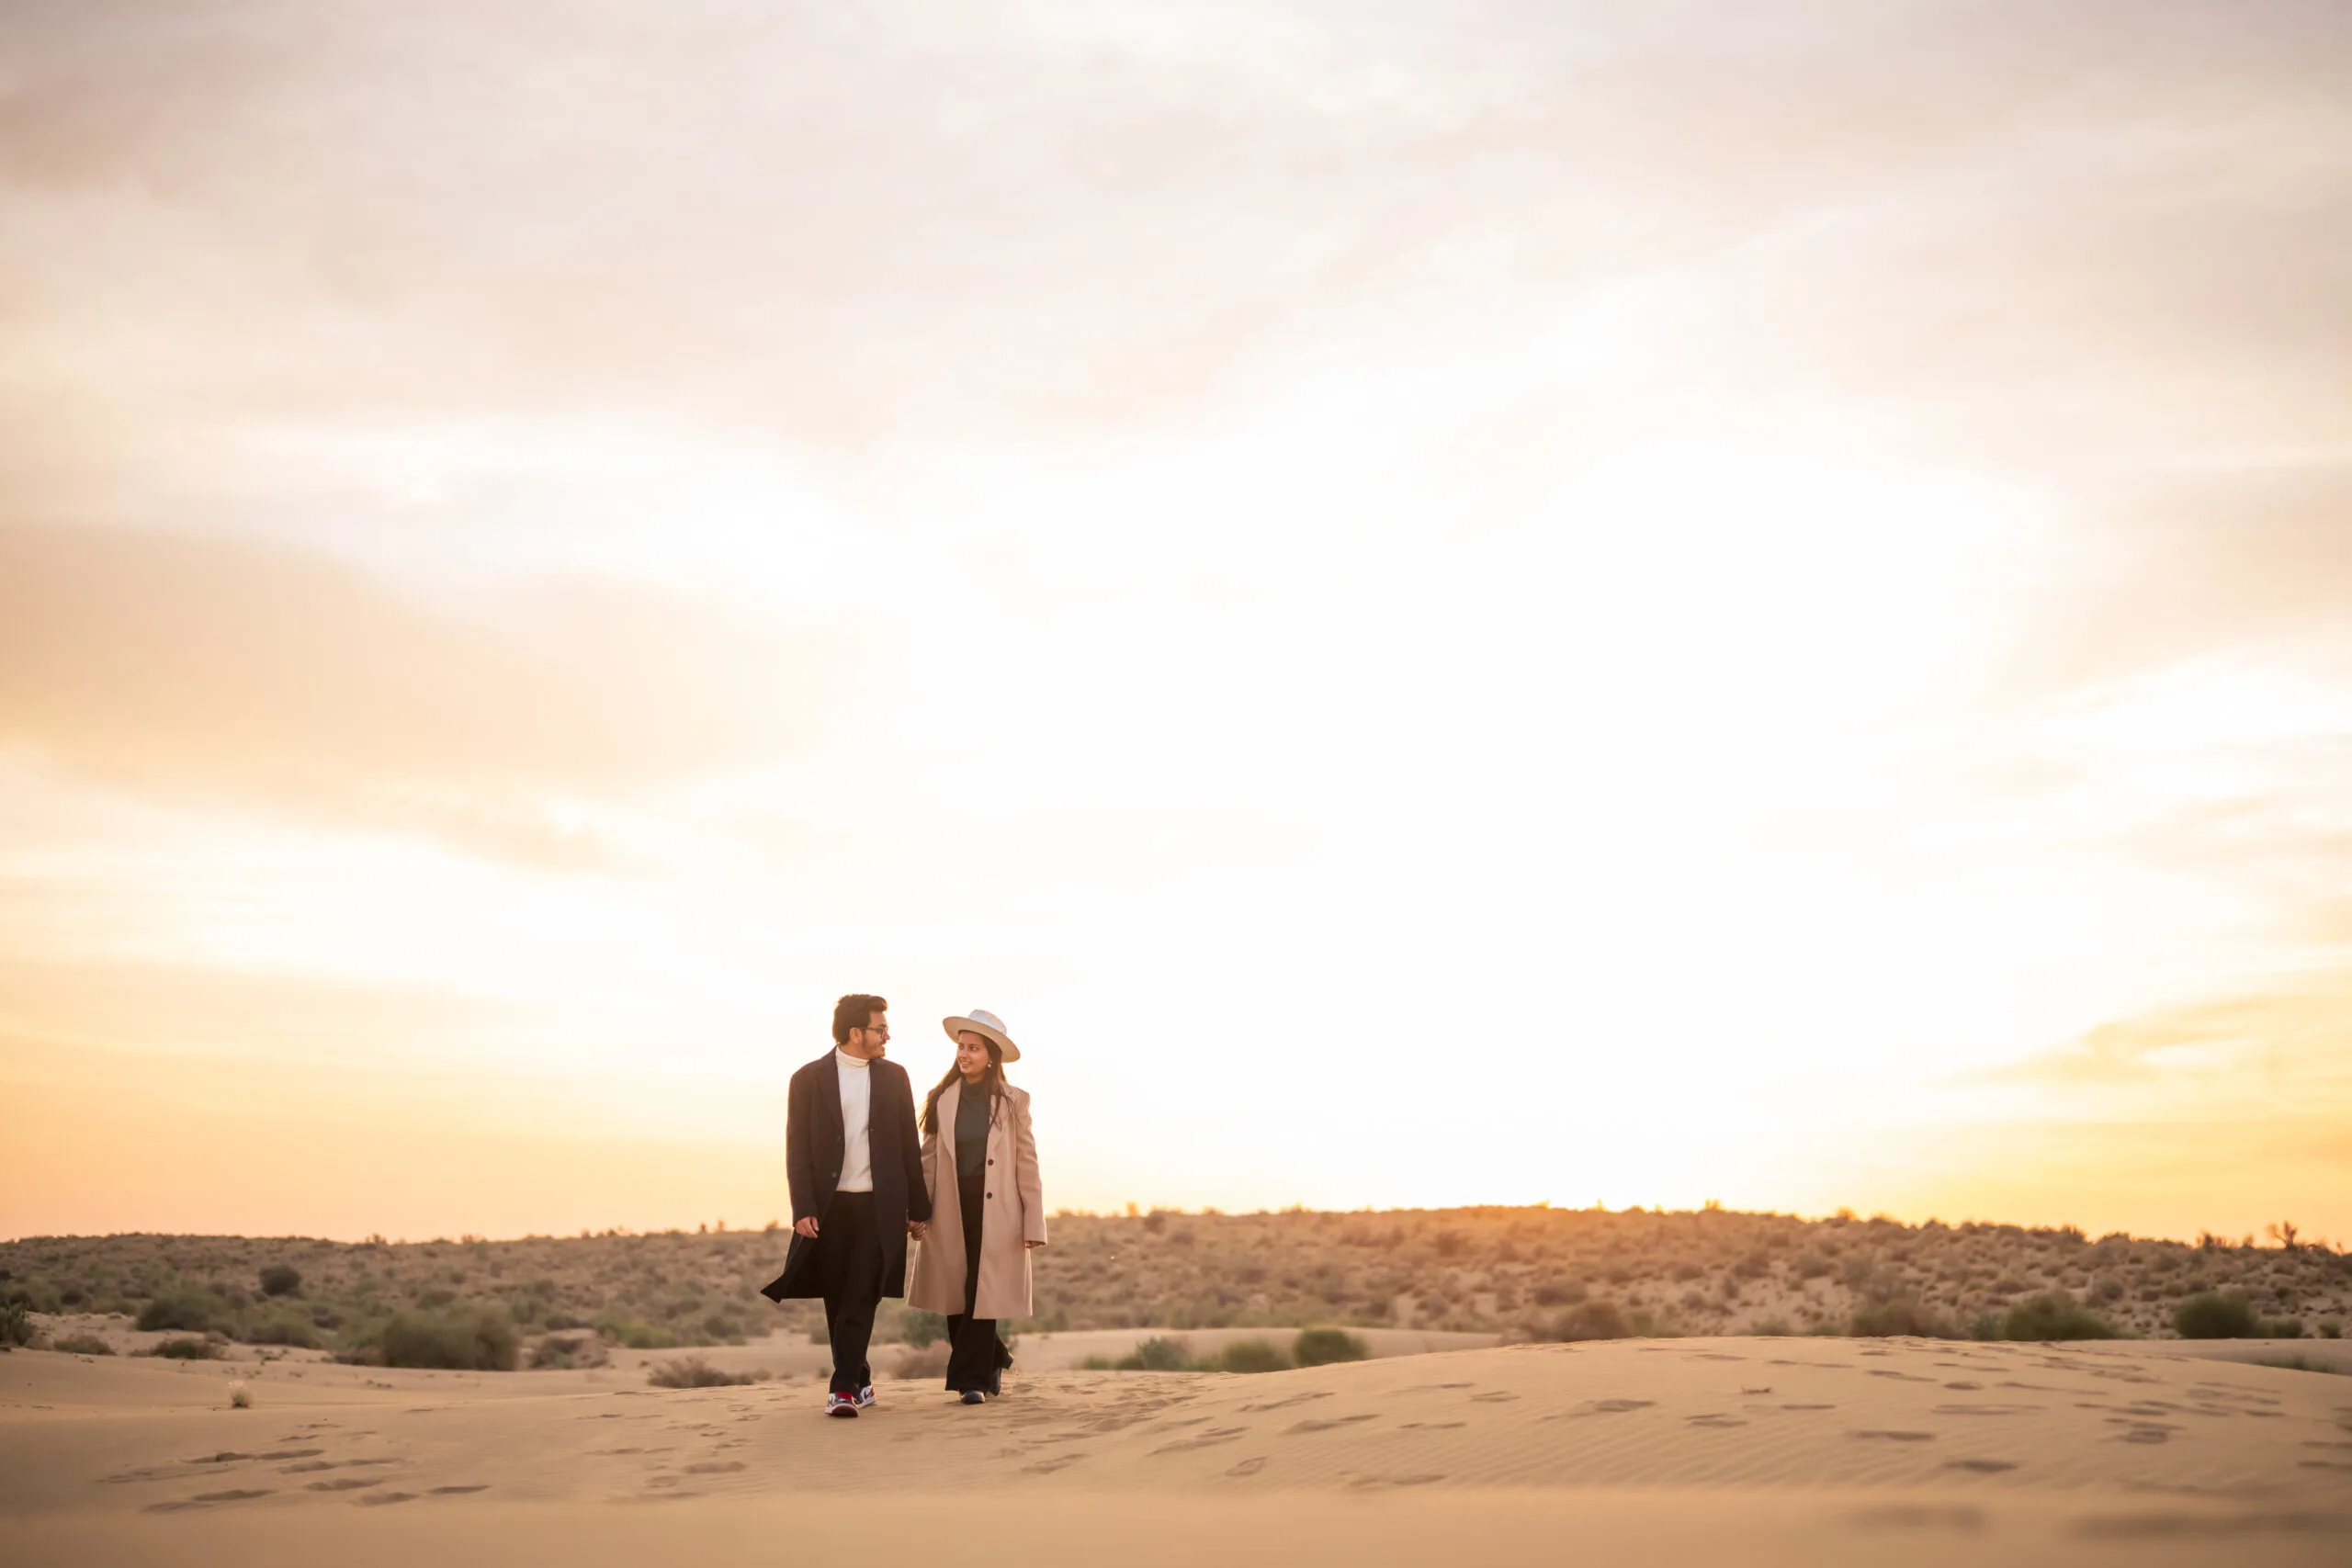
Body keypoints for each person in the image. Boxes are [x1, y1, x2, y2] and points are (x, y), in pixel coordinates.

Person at [760, 994, 931, 1417]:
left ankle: (841, 1389)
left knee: (861, 1294)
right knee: (837, 1298)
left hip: (880, 1207)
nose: (887, 1035)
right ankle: (861, 1378)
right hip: (830, 1208)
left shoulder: (895, 1077)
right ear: (855, 1033)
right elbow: (797, 1149)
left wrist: (918, 1207)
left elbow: (908, 1145)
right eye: (880, 1028)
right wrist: (802, 1207)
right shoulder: (807, 1079)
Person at [906, 1009, 1046, 1404]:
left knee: (982, 1292)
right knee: (955, 1292)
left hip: (999, 1211)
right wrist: (917, 1210)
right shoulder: (941, 1098)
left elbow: (1027, 1161)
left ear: (990, 1056)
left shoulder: (1014, 1102)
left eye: (973, 1048)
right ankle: (993, 1358)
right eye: (961, 1046)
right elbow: (928, 1159)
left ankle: (971, 1383)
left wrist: (1033, 1221)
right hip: (949, 1206)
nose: (964, 1054)